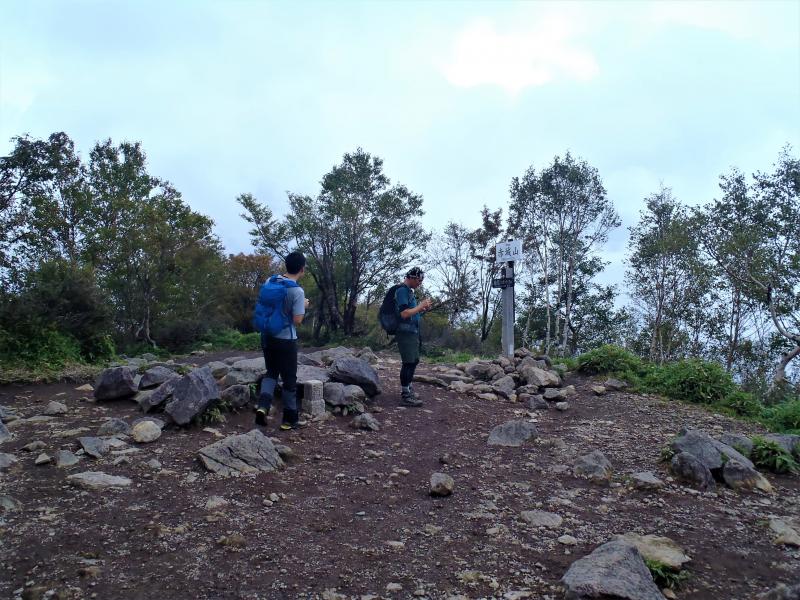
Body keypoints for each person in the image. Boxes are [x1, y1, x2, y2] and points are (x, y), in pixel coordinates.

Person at [255, 251, 310, 430]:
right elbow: (297, 320)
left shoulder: (271, 281)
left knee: (271, 372)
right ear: (302, 269)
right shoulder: (297, 291)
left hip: (267, 336)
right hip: (286, 340)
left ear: (286, 265)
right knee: (289, 379)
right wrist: (304, 306)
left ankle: (262, 406)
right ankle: (289, 420)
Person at [394, 266, 432, 407]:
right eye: (419, 280)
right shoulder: (402, 290)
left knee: (414, 360)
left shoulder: (409, 292)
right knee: (408, 362)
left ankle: (409, 388)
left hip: (412, 331)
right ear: (412, 277)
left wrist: (421, 308)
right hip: (405, 332)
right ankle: (406, 394)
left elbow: (412, 313)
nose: (420, 283)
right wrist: (420, 305)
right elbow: (404, 313)